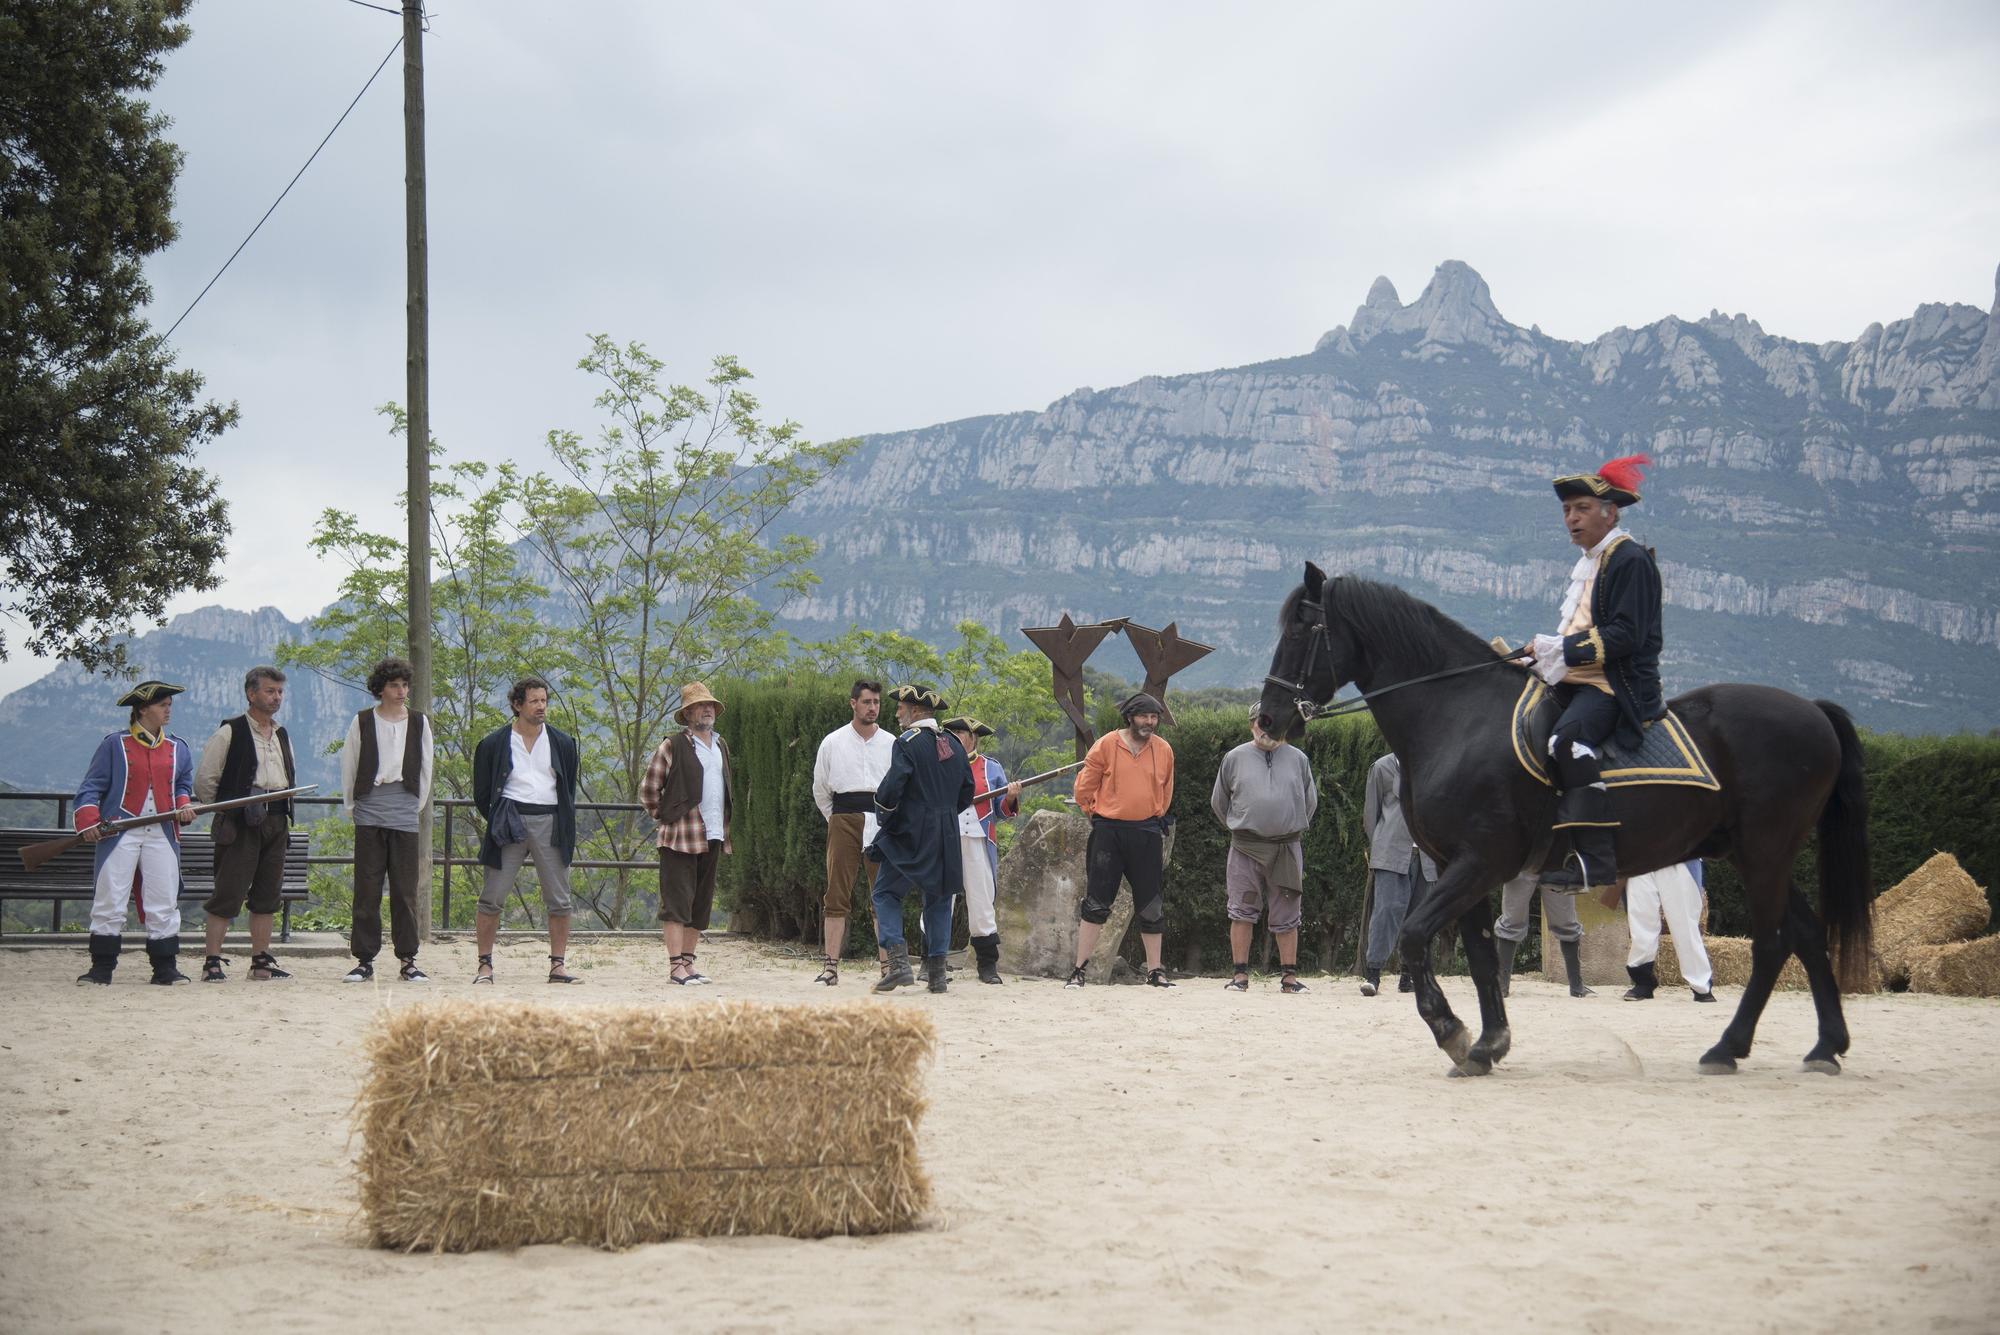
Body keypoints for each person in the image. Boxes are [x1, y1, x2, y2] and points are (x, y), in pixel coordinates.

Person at [1524, 454, 1665, 894]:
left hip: (1614, 686)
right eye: (1567, 510)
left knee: (1565, 741)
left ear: (1610, 512)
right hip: (1578, 679)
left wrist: (1558, 648)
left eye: (1581, 509)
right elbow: (1579, 630)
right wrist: (1538, 657)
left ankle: (1597, 863)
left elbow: (1625, 634)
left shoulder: (1629, 560)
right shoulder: (1592, 561)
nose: (1571, 518)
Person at [72, 681, 199, 985]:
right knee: (110, 898)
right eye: (163, 705)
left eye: (169, 705)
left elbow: (182, 784)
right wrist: (90, 822)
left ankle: (165, 968)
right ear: (143, 709)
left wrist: (184, 804)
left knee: (163, 899)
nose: (169, 710)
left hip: (162, 832)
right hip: (120, 831)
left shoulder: (178, 748)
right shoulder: (114, 745)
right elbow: (91, 788)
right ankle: (101, 969)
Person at [471, 676, 584, 985]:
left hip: (550, 821)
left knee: (560, 899)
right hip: (509, 821)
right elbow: (482, 793)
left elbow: (567, 788)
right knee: (492, 896)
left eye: (544, 700)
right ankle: (485, 965)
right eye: (534, 701)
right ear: (517, 705)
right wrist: (499, 818)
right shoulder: (494, 743)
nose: (541, 706)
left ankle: (557, 966)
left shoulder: (562, 743)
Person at [193, 665, 298, 982]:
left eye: (279, 691)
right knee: (228, 892)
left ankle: (260, 961)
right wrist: (231, 809)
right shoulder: (230, 731)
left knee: (268, 895)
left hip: (277, 819)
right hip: (240, 822)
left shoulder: (281, 733)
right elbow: (205, 782)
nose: (276, 697)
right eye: (270, 690)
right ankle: (212, 961)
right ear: (251, 693)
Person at [1066, 691, 1177, 990]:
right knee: (1097, 902)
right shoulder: (1106, 744)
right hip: (1108, 833)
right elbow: (1083, 788)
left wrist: (1152, 817)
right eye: (1144, 716)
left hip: (1147, 833)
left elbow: (1165, 792)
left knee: (1151, 903)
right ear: (1130, 717)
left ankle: (1155, 971)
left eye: (1154, 717)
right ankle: (1079, 971)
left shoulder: (1164, 749)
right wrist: (1097, 816)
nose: (1150, 722)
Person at [868, 684, 973, 994]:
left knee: (885, 892)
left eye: (902, 706)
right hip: (947, 832)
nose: (898, 711)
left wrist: (886, 817)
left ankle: (899, 964)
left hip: (912, 832)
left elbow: (891, 790)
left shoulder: (907, 743)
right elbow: (966, 790)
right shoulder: (954, 744)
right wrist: (944, 815)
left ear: (916, 710)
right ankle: (937, 973)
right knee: (939, 898)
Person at [339, 657, 434, 984]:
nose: (402, 691)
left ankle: (408, 959)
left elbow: (426, 770)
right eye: (395, 685)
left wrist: (412, 807)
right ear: (380, 688)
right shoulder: (362, 721)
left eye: (405, 685)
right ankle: (364, 960)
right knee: (367, 889)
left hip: (404, 809)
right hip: (369, 809)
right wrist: (354, 807)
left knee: (405, 891)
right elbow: (349, 767)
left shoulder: (420, 723)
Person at [1210, 714, 1318, 994]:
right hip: (1245, 847)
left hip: (1286, 848)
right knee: (1241, 911)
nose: (1265, 728)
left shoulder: (1298, 759)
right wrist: (1243, 827)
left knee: (1288, 911)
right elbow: (1220, 803)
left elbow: (1310, 802)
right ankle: (1240, 976)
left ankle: (1289, 979)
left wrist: (1285, 828)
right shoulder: (1234, 758)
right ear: (1251, 725)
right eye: (1260, 721)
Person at [639, 682, 732, 986]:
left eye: (711, 706)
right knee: (677, 903)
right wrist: (668, 819)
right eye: (700, 706)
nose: (707, 710)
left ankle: (689, 963)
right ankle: (675, 965)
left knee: (700, 904)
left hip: (714, 833)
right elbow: (649, 790)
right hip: (680, 837)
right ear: (688, 712)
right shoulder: (673, 745)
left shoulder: (720, 745)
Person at [808, 678, 893, 985]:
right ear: (853, 703)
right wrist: (836, 819)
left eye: (877, 702)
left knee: (882, 893)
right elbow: (820, 789)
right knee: (836, 892)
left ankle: (887, 968)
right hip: (843, 818)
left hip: (881, 821)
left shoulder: (891, 743)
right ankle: (830, 967)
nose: (873, 708)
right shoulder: (833, 742)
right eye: (867, 702)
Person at [943, 716, 1022, 986]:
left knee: (981, 901)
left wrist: (1010, 796)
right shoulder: (939, 764)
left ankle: (987, 965)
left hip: (978, 839)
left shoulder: (991, 767)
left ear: (973, 738)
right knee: (940, 897)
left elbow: (1000, 810)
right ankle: (933, 961)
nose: (955, 738)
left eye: (960, 734)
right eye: (951, 733)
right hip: (945, 838)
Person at [1359, 751, 1437, 996]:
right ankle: (1373, 973)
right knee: (1386, 911)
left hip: (1427, 853)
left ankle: (1409, 975)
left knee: (1421, 915)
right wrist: (1382, 846)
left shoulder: (1435, 762)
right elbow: (1370, 815)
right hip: (1391, 853)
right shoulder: (1382, 767)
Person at [1622, 859, 1717, 1002]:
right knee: (1640, 922)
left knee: (1685, 925)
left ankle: (1701, 985)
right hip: (1639, 855)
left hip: (1679, 855)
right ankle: (1642, 981)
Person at [1493, 872, 1592, 998]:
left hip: (1555, 862)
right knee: (1511, 921)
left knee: (1566, 923)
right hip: (1523, 862)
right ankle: (1501, 986)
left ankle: (1577, 987)